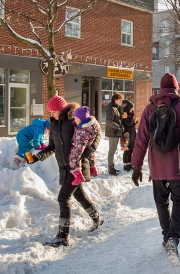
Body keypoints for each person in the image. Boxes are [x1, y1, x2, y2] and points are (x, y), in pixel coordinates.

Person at [131, 73, 180, 265]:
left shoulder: (149, 109)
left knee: (161, 203)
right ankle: (173, 239)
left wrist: (136, 166)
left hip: (157, 168)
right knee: (179, 202)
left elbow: (141, 141)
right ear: (176, 88)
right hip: (179, 167)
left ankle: (166, 237)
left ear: (160, 88)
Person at [31, 96, 102, 247]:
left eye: (53, 111)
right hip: (64, 167)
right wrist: (36, 157)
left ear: (61, 109)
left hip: (77, 166)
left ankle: (63, 236)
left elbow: (95, 132)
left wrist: (91, 149)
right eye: (50, 112)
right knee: (79, 194)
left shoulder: (74, 120)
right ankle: (97, 218)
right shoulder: (53, 124)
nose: (51, 115)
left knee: (63, 198)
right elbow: (51, 147)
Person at [69, 106, 102, 185]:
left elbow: (79, 146)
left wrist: (77, 153)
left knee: (73, 157)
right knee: (91, 155)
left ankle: (78, 175)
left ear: (82, 119)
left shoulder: (82, 130)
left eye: (76, 118)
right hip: (89, 145)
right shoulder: (94, 124)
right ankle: (93, 168)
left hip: (80, 145)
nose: (74, 120)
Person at [105, 93, 124, 176]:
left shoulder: (116, 108)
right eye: (120, 100)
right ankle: (110, 168)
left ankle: (112, 166)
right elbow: (109, 121)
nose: (121, 101)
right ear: (115, 99)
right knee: (112, 151)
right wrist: (118, 127)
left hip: (115, 132)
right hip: (112, 132)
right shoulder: (111, 108)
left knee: (113, 150)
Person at [121, 100, 138, 172]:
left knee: (131, 149)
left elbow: (132, 123)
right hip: (127, 135)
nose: (132, 109)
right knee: (127, 150)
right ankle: (126, 164)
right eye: (131, 108)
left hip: (132, 134)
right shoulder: (124, 115)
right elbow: (129, 123)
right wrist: (133, 120)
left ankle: (130, 164)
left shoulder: (131, 115)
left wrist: (134, 122)